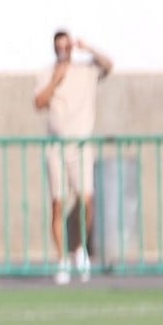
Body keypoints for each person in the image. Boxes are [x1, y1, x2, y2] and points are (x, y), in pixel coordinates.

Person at [33, 30, 112, 284]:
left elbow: (108, 65)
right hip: (56, 145)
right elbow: (39, 102)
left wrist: (88, 46)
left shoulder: (85, 70)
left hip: (81, 145)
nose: (63, 51)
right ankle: (62, 260)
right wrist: (56, 80)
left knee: (86, 198)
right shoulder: (47, 73)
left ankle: (79, 248)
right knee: (58, 202)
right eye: (59, 47)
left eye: (67, 47)